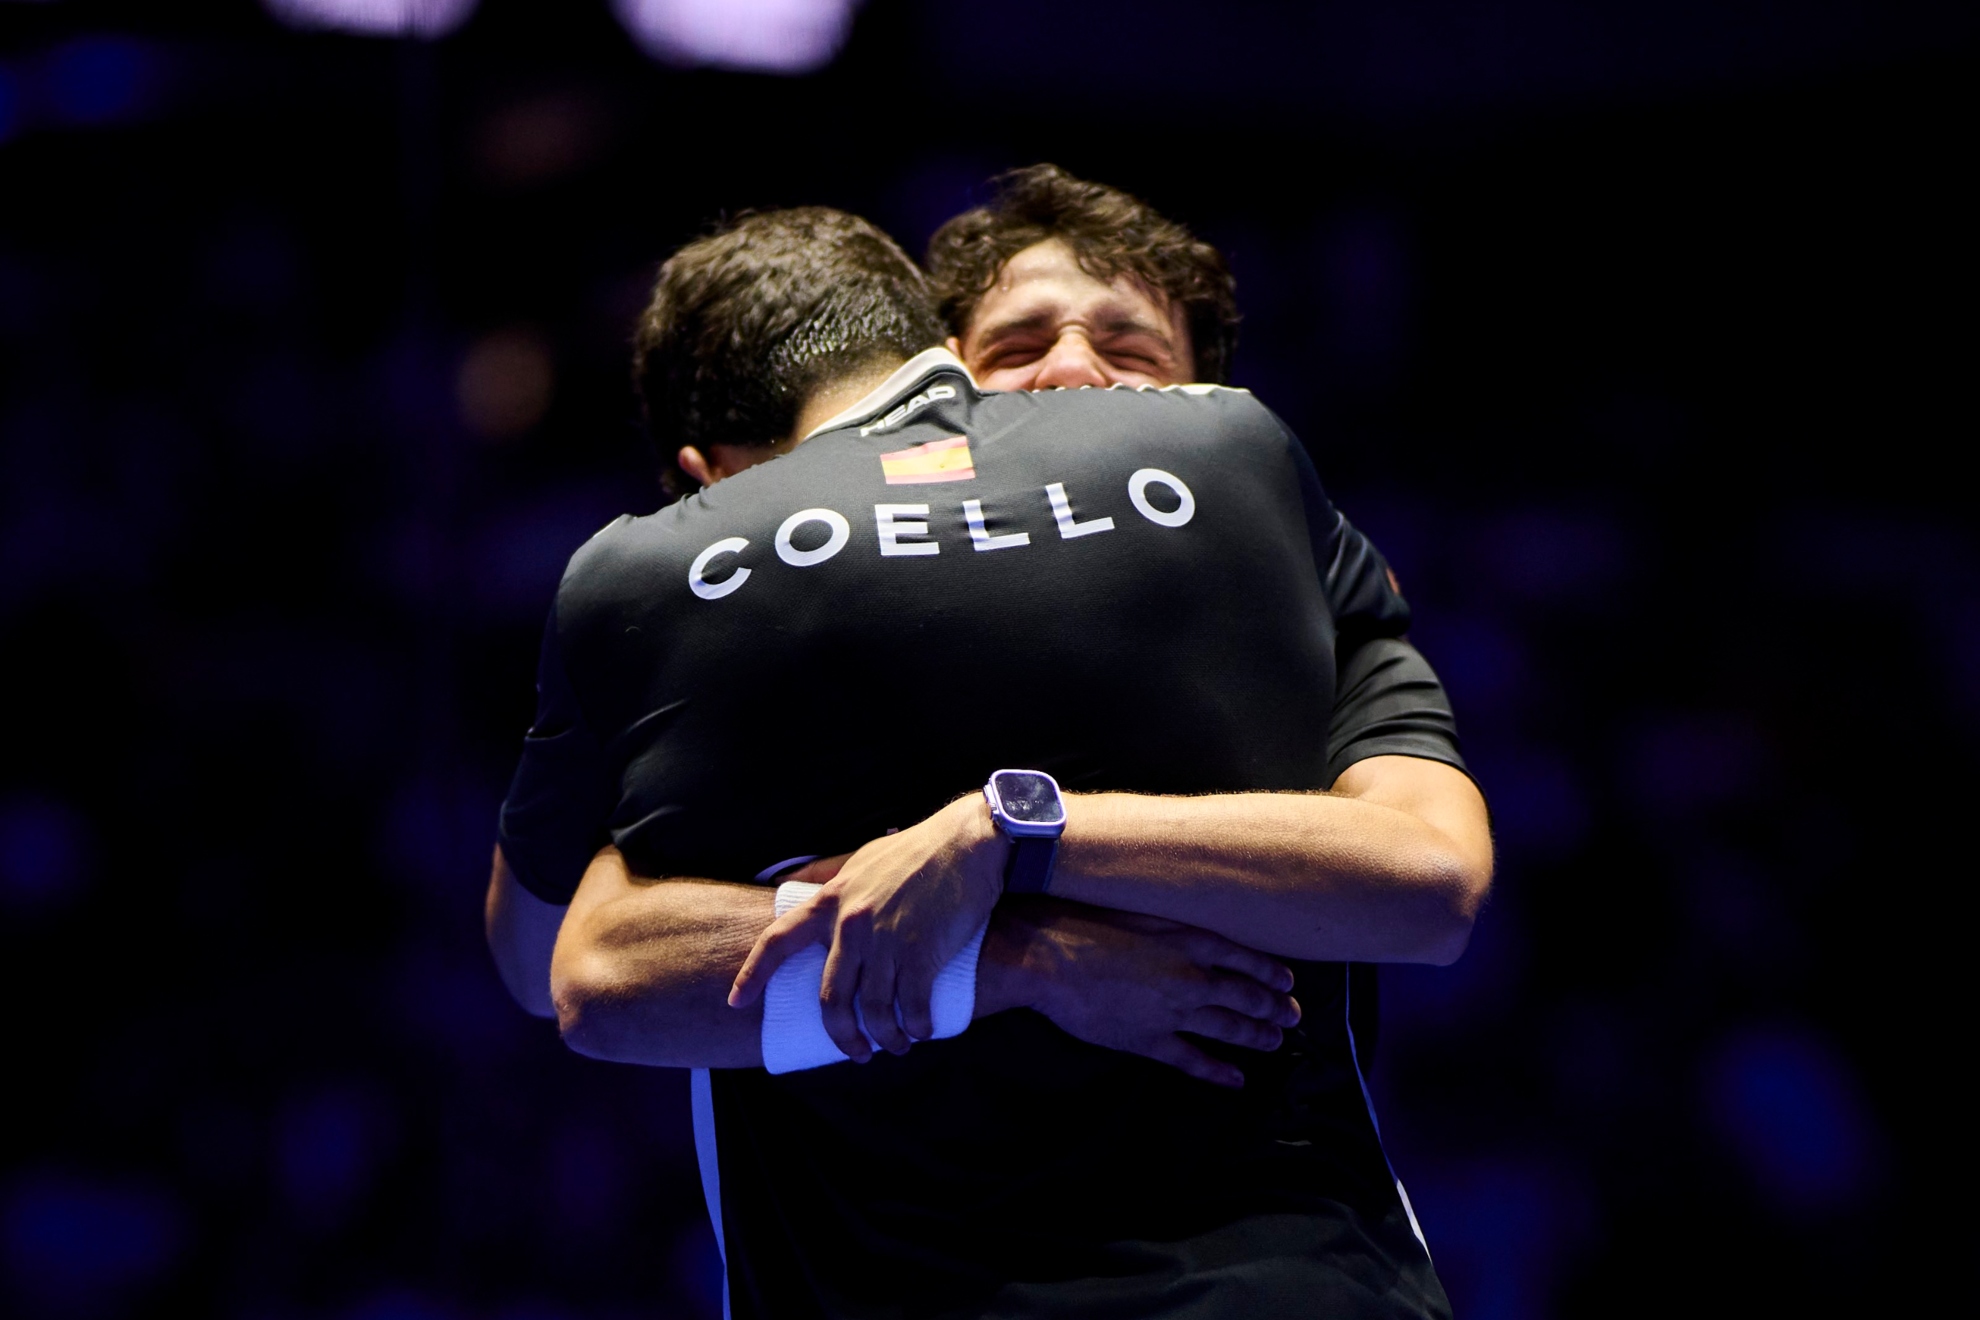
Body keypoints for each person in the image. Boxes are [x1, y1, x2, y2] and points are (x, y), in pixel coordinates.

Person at [488, 200, 1488, 1317]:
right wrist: (1022, 955)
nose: (1072, 378)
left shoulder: (1285, 548)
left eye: (1132, 353)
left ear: (1200, 399)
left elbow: (1429, 880)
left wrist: (1013, 831)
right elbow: (598, 968)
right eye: (1020, 346)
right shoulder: (752, 617)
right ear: (940, 379)